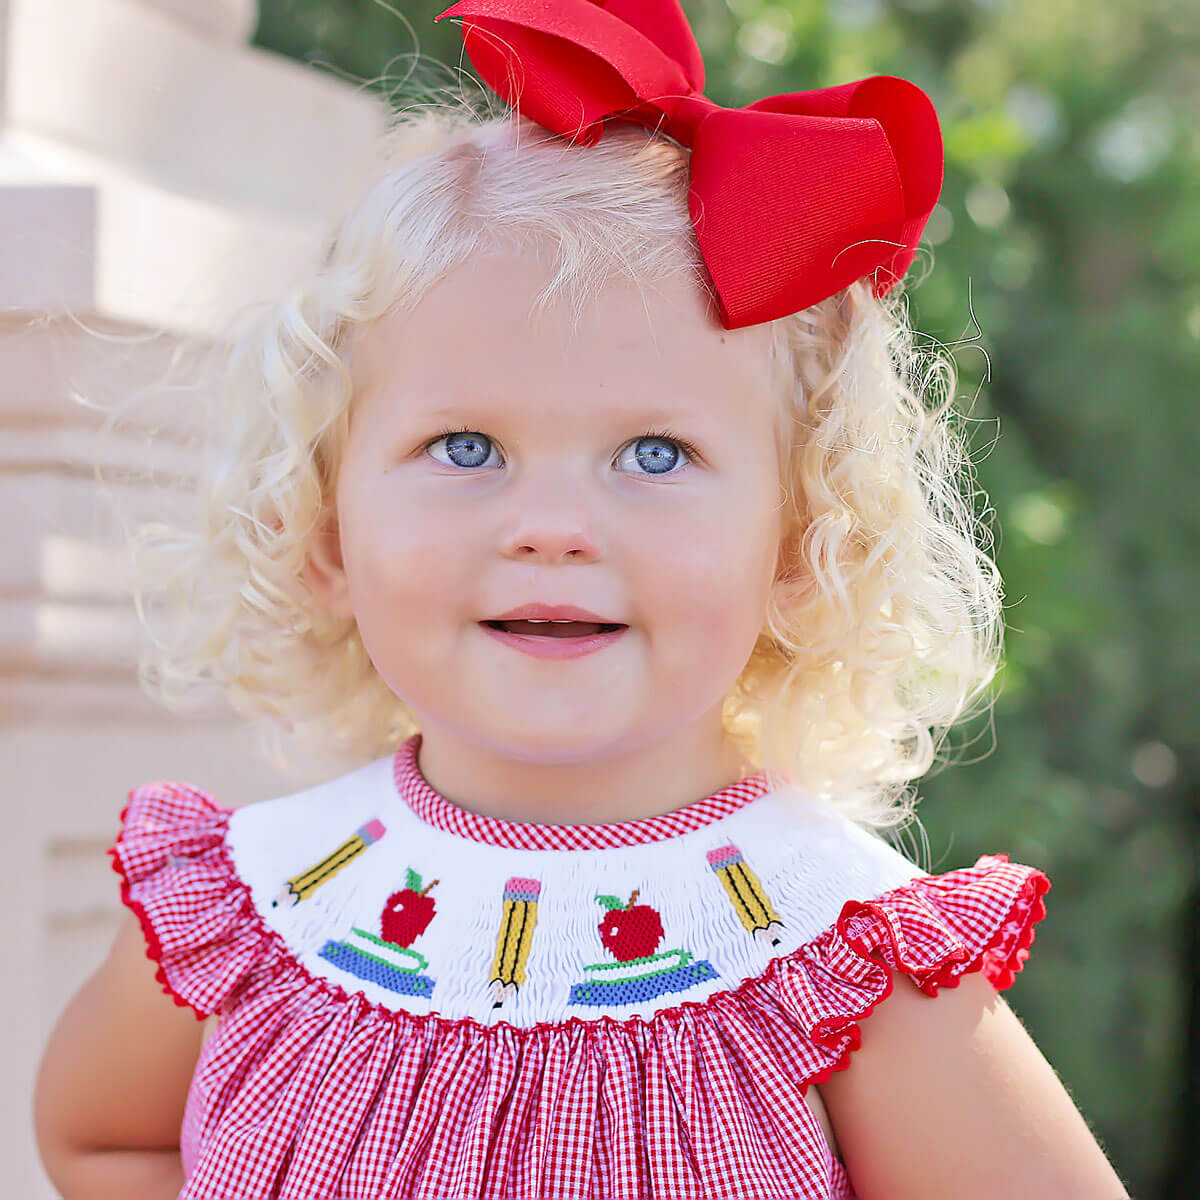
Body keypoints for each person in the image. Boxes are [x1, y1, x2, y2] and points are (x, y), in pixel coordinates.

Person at [34, 2, 1131, 1197]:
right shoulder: (257, 909)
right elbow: (104, 1139)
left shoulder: (845, 955)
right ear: (324, 529)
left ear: (799, 542)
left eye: (653, 455)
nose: (550, 526)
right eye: (464, 447)